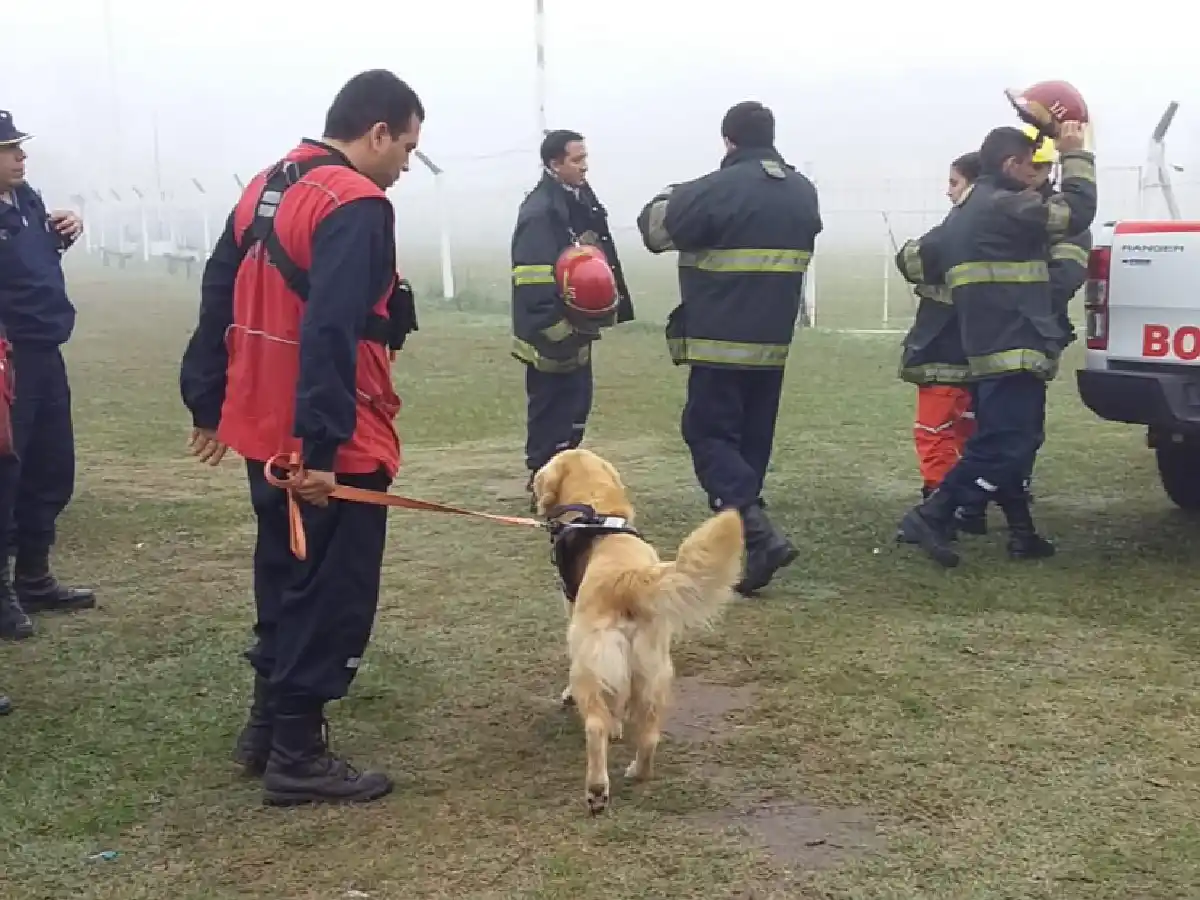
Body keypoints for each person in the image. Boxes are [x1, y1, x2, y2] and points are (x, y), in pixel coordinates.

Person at [179, 69, 423, 805]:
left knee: (283, 572)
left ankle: (264, 726)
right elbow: (332, 326)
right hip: (325, 438)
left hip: (263, 421)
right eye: (406, 147)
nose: (406, 164)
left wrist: (207, 397)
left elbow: (217, 291)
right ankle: (296, 754)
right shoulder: (356, 203)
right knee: (332, 586)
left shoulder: (265, 184)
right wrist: (321, 450)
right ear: (376, 132)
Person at [636, 101, 823, 595]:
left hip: (720, 342)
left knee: (708, 433)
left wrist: (674, 192)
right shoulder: (804, 192)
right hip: (773, 344)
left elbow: (653, 228)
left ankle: (757, 533)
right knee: (751, 441)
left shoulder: (716, 190)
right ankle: (746, 545)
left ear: (728, 141)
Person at [895, 122, 1096, 567]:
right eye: (1029, 166)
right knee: (1009, 443)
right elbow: (1075, 214)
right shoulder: (1006, 207)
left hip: (991, 348)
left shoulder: (969, 211)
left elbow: (915, 259)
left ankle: (1011, 530)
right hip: (1017, 343)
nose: (1034, 176)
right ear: (1011, 164)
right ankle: (936, 512)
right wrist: (1076, 153)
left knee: (1005, 439)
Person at [0, 110, 95, 643]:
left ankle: (34, 576)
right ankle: (3, 595)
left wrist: (62, 233)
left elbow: (30, 260)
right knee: (5, 475)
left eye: (19, 146)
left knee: (51, 468)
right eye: (9, 148)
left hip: (45, 351)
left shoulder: (27, 197)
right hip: (6, 358)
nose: (21, 156)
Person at [510, 129, 634, 510]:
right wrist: (557, 331)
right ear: (554, 164)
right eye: (576, 160)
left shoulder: (580, 199)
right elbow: (532, 282)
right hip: (551, 333)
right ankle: (541, 486)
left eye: (585, 158)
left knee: (576, 408)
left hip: (577, 329)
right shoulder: (539, 212)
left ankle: (565, 481)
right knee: (550, 412)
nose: (584, 167)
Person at [899, 151, 981, 504]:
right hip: (988, 355)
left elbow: (915, 260)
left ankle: (939, 502)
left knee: (934, 430)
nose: (948, 192)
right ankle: (974, 499)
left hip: (944, 351)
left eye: (954, 183)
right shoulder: (1016, 223)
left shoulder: (961, 226)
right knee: (972, 430)